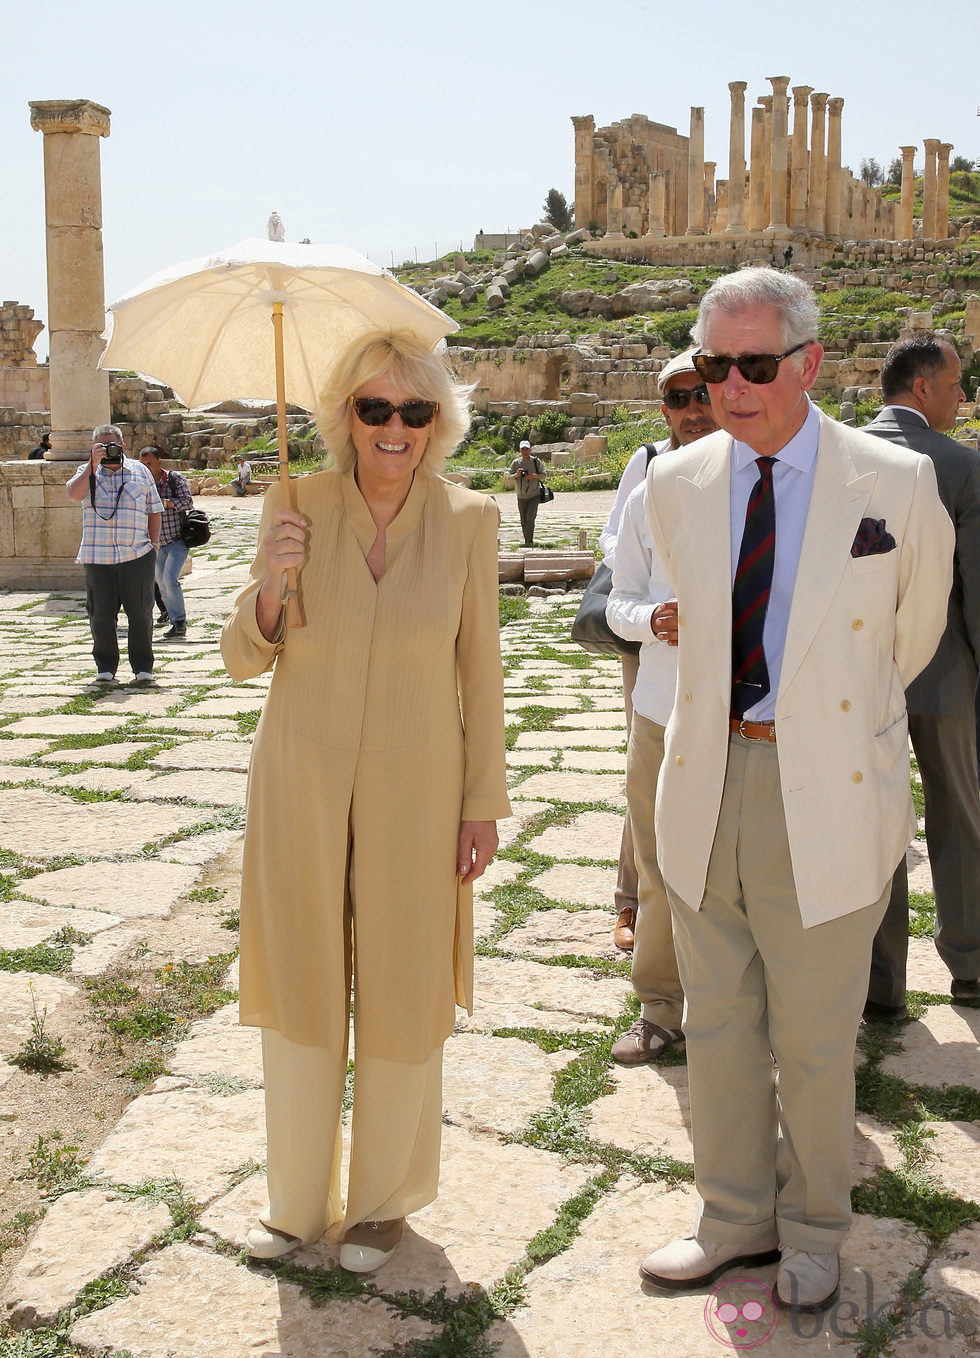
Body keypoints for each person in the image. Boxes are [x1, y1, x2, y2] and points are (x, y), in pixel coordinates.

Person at [639, 267, 952, 1312]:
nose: (729, 386)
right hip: (703, 782)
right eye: (714, 365)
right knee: (719, 1022)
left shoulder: (894, 483)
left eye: (753, 364)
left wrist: (816, 719)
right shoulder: (676, 486)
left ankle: (814, 1225)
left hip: (821, 784)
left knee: (813, 1037)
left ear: (806, 363)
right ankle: (732, 1218)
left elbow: (908, 638)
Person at [221, 331, 510, 1275]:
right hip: (300, 781)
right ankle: (296, 1204)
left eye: (414, 410)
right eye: (375, 407)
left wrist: (482, 803)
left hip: (420, 789)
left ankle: (384, 1203)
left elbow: (482, 673)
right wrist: (271, 583)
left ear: (439, 423)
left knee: (402, 985)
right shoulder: (293, 503)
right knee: (304, 981)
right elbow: (244, 657)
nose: (394, 427)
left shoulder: (469, 519)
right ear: (345, 415)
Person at [861, 334, 980, 1012]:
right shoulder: (960, 466)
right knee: (959, 813)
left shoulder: (835, 458)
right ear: (922, 388)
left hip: (860, 674)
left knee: (875, 819)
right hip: (944, 673)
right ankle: (970, 962)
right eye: (957, 383)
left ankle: (881, 984)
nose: (963, 396)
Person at [599, 349, 717, 955]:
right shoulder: (646, 468)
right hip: (655, 649)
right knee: (646, 776)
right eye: (679, 399)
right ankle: (634, 903)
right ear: (663, 410)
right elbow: (615, 540)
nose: (693, 410)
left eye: (702, 394)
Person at [67, 424, 162, 684]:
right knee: (100, 614)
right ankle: (105, 666)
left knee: (141, 614)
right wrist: (92, 463)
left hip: (137, 554)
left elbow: (154, 509)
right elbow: (74, 495)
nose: (107, 450)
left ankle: (143, 668)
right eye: (101, 445)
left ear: (121, 446)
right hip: (98, 557)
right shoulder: (87, 472)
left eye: (111, 445)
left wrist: (154, 546)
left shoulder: (140, 471)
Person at [138, 445, 194, 640]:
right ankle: (174, 621)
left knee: (170, 580)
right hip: (156, 543)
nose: (146, 467)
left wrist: (166, 503)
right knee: (161, 584)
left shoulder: (174, 479)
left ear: (159, 462)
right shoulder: (140, 482)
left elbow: (187, 502)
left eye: (150, 464)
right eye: (143, 464)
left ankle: (180, 622)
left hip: (177, 538)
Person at [509, 438, 546, 545]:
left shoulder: (535, 461)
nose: (525, 451)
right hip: (521, 496)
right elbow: (510, 477)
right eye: (523, 449)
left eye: (527, 449)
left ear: (530, 450)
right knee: (523, 520)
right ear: (520, 451)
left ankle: (529, 541)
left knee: (530, 518)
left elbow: (543, 475)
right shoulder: (516, 463)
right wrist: (517, 475)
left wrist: (533, 476)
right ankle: (527, 540)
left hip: (534, 495)